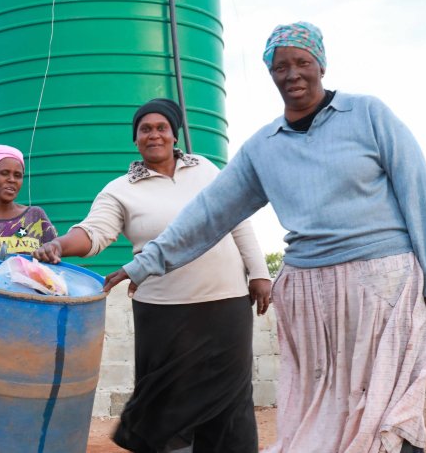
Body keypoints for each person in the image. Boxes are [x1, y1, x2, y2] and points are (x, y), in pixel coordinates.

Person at [104, 22, 426, 453]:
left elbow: (415, 190)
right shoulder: (263, 147)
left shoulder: (368, 114)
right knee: (323, 412)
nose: (292, 74)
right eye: (280, 66)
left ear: (321, 64)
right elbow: (208, 215)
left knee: (388, 410)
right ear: (270, 73)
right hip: (311, 297)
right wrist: (143, 263)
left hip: (384, 284)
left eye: (302, 62)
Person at [33, 98, 271, 452]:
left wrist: (259, 272)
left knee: (230, 403)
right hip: (164, 313)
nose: (154, 135)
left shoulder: (205, 168)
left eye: (161, 128)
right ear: (135, 139)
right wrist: (59, 246)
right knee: (167, 403)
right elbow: (94, 232)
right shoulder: (121, 189)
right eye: (145, 129)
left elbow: (236, 219)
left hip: (226, 304)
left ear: (174, 135)